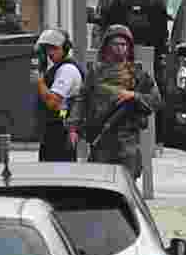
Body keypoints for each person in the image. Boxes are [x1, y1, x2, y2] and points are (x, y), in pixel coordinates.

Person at [69, 24, 162, 180]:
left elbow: (156, 100)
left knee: (126, 184)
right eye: (116, 44)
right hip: (101, 138)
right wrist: (73, 127)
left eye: (124, 44)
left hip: (127, 139)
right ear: (107, 46)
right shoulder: (96, 72)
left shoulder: (137, 73)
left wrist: (133, 96)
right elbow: (82, 98)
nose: (120, 48)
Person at [104, 0, 170, 139]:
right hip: (151, 63)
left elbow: (109, 30)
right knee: (154, 95)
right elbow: (163, 35)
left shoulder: (119, 2)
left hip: (123, 63)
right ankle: (156, 140)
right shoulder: (157, 2)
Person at [35, 28, 84, 162]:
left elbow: (54, 102)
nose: (50, 52)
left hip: (61, 130)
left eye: (54, 48)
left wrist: (39, 81)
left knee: (58, 172)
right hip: (55, 128)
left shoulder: (66, 70)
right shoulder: (57, 68)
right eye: (48, 49)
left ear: (65, 48)